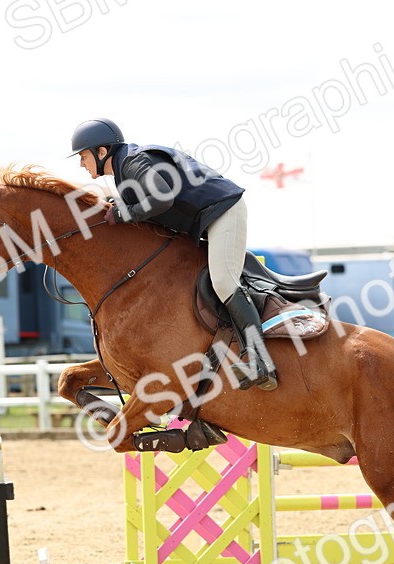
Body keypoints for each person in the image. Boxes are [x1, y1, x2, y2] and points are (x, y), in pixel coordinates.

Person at [70, 118, 277, 391]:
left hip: (224, 212)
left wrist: (123, 213)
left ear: (101, 152)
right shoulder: (125, 170)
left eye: (83, 156)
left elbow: (162, 198)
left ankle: (261, 362)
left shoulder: (133, 162)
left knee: (224, 282)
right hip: (206, 220)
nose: (81, 164)